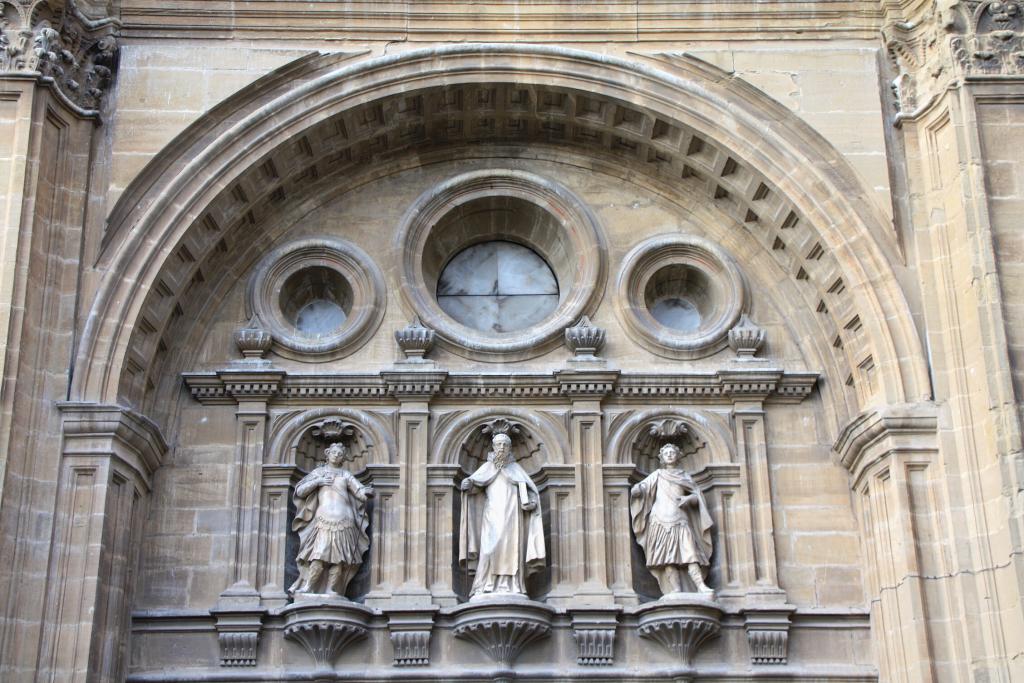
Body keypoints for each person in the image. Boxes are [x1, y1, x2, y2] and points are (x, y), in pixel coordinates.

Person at [459, 433, 546, 598]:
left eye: (505, 445)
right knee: (489, 549)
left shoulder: (516, 469)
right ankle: (485, 585)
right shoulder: (486, 468)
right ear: (493, 447)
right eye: (498, 444)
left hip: (513, 518)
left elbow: (530, 492)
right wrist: (467, 485)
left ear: (510, 448)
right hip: (491, 517)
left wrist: (532, 503)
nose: (502, 448)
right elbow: (475, 486)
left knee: (511, 549)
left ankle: (513, 586)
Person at [629, 442, 714, 597]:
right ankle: (675, 589)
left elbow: (697, 496)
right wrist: (637, 490)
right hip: (659, 519)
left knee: (691, 553)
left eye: (672, 452)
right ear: (661, 457)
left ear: (678, 456)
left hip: (680, 519)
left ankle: (701, 586)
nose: (669, 455)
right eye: (666, 453)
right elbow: (643, 487)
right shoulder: (657, 475)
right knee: (668, 558)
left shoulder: (684, 476)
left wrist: (689, 500)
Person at [289, 442, 374, 596]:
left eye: (340, 454)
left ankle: (332, 589)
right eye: (334, 452)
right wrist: (318, 482)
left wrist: (366, 493)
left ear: (343, 458)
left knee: (340, 559)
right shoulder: (318, 473)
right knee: (319, 555)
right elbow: (300, 491)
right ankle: (308, 587)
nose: (337, 455)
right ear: (327, 454)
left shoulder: (346, 475)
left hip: (346, 521)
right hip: (324, 519)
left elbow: (359, 491)